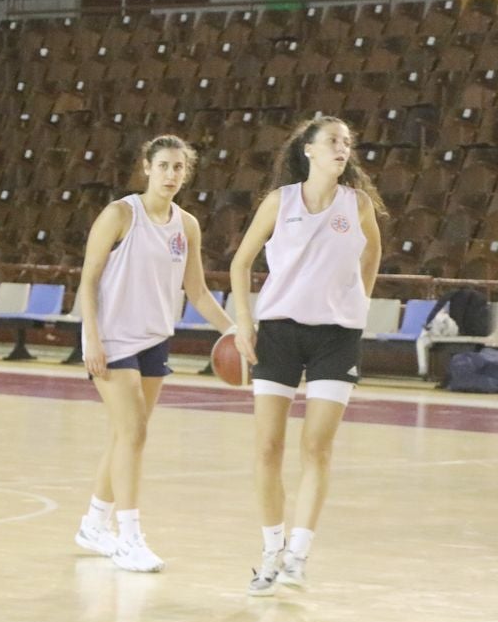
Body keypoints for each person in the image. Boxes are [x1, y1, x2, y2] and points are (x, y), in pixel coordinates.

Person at [229, 115, 383, 596]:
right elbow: (240, 262)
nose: (343, 148)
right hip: (279, 332)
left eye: (347, 142)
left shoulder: (357, 204)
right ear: (309, 150)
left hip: (337, 337)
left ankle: (298, 554)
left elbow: (372, 254)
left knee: (317, 446)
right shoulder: (281, 201)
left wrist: (360, 299)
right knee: (268, 446)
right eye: (333, 140)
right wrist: (244, 322)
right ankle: (270, 551)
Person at [74, 135, 233, 572]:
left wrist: (235, 331)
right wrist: (91, 338)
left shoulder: (187, 225)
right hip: (112, 338)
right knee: (134, 433)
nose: (170, 174)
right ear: (146, 167)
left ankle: (93, 524)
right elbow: (88, 280)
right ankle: (129, 537)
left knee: (125, 435)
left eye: (178, 167)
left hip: (154, 340)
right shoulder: (120, 215)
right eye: (163, 165)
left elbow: (197, 292)